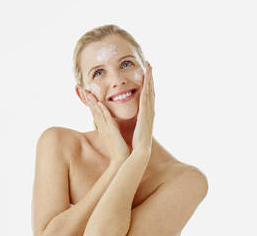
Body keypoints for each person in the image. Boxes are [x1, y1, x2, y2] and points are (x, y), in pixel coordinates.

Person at [31, 24, 208, 236]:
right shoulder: (60, 144)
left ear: (147, 73)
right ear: (83, 95)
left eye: (126, 63)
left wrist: (140, 154)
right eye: (98, 73)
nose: (117, 80)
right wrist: (117, 163)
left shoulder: (185, 180)